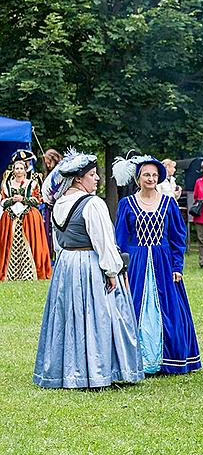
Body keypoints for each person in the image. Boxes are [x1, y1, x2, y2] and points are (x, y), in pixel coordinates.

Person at [33, 149, 144, 389]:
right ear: (77, 179)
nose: (97, 179)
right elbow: (103, 241)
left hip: (66, 265)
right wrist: (113, 271)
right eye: (92, 175)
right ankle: (98, 372)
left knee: (67, 318)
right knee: (98, 317)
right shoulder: (93, 204)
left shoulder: (59, 203)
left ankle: (67, 372)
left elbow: (58, 242)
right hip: (89, 264)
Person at [114, 155, 202, 375]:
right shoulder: (127, 204)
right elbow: (120, 239)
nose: (151, 178)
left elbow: (177, 238)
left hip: (163, 264)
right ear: (139, 178)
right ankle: (137, 359)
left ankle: (167, 359)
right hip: (136, 264)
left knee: (169, 311)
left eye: (154, 175)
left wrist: (176, 267)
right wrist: (121, 268)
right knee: (134, 308)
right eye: (146, 174)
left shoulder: (168, 202)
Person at [0, 150, 52, 281]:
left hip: (28, 217)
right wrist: (12, 200)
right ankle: (10, 273)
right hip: (11, 217)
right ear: (13, 169)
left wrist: (23, 199)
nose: (18, 171)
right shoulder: (6, 184)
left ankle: (29, 272)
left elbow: (38, 200)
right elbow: (2, 200)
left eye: (21, 168)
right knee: (8, 244)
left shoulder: (32, 183)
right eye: (16, 168)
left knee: (31, 243)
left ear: (25, 169)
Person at [41, 148, 62, 260]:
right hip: (49, 206)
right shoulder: (51, 173)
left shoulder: (59, 171)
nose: (47, 164)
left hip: (57, 205)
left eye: (49, 162)